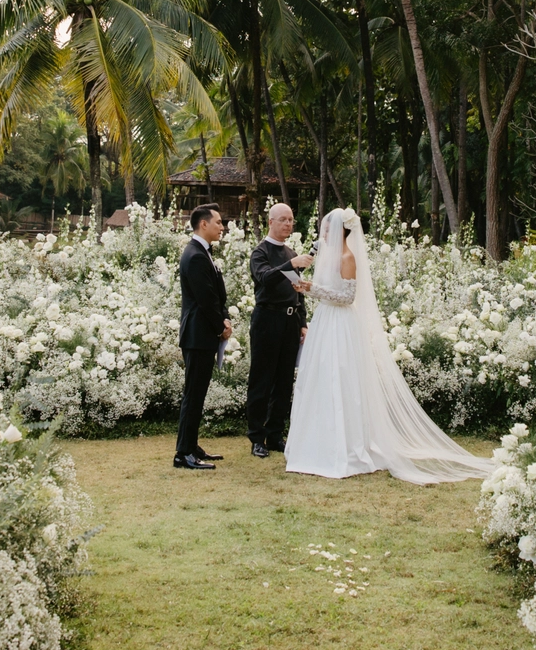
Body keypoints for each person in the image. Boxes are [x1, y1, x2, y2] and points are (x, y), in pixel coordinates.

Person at [285, 207, 495, 485]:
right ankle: (317, 442)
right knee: (320, 377)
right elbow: (328, 293)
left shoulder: (347, 257)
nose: (322, 232)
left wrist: (313, 289)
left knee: (342, 378)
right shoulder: (327, 257)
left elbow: (347, 297)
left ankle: (346, 446)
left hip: (340, 325)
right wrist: (307, 288)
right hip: (325, 321)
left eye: (326, 228)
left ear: (338, 231)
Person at [246, 202, 313, 458]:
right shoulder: (260, 252)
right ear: (270, 222)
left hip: (290, 321)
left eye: (291, 220)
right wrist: (291, 263)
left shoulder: (290, 252)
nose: (288, 224)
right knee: (262, 380)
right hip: (267, 319)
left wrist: (303, 322)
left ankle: (275, 434)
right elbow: (265, 278)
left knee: (284, 382)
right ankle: (257, 437)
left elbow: (298, 290)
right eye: (283, 219)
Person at [174, 203, 232, 470]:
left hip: (203, 333)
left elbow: (216, 295)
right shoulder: (195, 255)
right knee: (193, 394)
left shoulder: (203, 253)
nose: (222, 227)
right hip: (198, 335)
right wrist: (221, 327)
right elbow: (205, 299)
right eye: (218, 222)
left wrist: (224, 318)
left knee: (197, 393)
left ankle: (191, 445)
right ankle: (183, 453)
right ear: (203, 224)